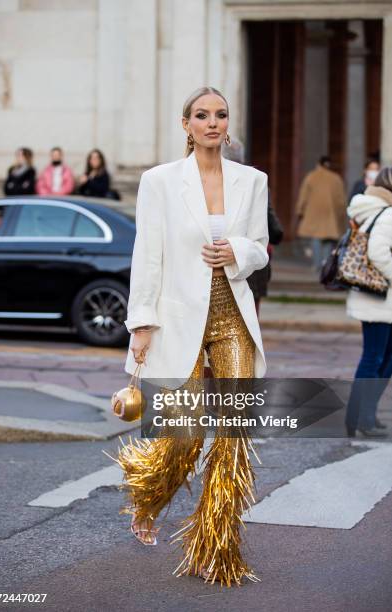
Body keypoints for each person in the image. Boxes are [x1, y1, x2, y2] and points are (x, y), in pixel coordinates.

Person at [116, 86, 269, 586]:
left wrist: (238, 252)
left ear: (228, 124)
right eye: (202, 115)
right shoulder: (159, 181)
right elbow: (149, 253)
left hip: (232, 317)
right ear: (186, 124)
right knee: (184, 435)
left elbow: (262, 247)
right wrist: (141, 322)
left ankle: (216, 544)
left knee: (233, 435)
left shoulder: (252, 180)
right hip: (180, 316)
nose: (212, 123)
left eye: (221, 115)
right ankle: (149, 498)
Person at [345, 166, 392, 438]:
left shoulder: (372, 208)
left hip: (376, 297)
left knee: (380, 357)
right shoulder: (386, 213)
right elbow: (377, 252)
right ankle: (361, 418)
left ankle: (364, 415)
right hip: (380, 298)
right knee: (374, 357)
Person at [221, 138, 283, 315]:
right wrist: (277, 235)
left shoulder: (252, 181)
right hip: (250, 262)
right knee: (249, 320)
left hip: (228, 262)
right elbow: (272, 225)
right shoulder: (255, 181)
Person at [295, 155, 347, 272]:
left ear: (318, 164)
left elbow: (303, 196)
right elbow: (341, 200)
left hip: (313, 212)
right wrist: (341, 214)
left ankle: (316, 264)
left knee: (316, 238)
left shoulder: (311, 177)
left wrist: (300, 210)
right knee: (328, 239)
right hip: (330, 213)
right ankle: (325, 263)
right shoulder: (336, 178)